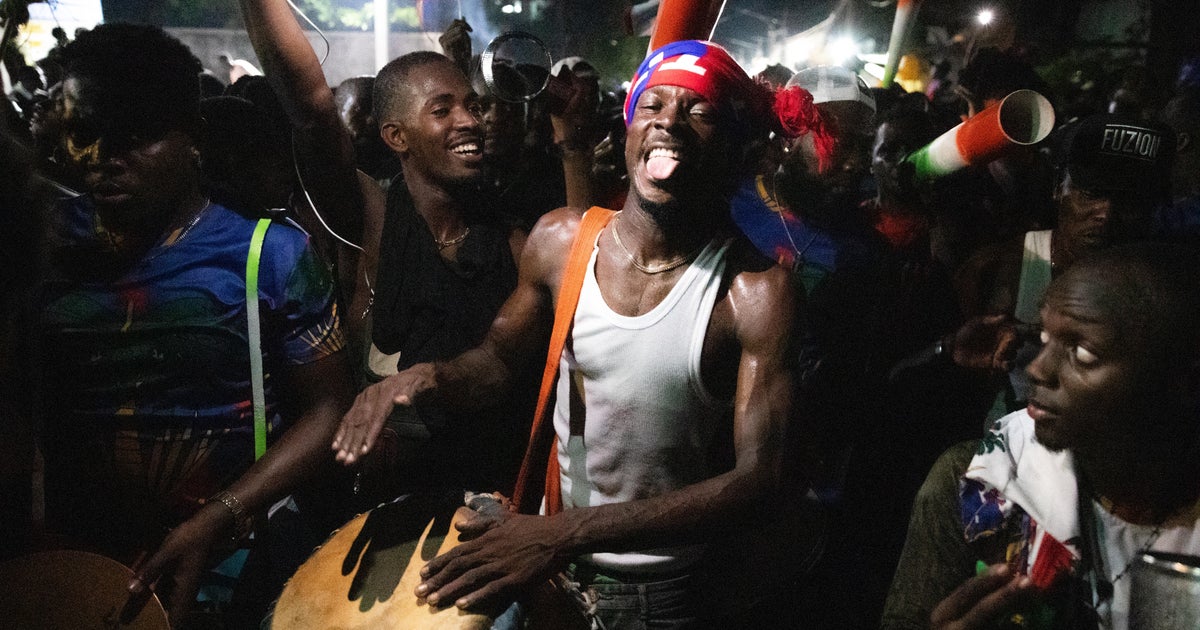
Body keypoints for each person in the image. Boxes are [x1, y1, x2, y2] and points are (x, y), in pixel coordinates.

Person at [332, 39, 799, 629]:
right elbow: (499, 362)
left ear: (732, 146)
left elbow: (759, 480)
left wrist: (561, 533)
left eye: (699, 113)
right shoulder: (562, 241)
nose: (670, 124)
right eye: (652, 106)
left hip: (663, 592)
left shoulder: (755, 291)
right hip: (547, 574)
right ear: (629, 129)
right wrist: (423, 379)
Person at [35, 23, 353, 626]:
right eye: (85, 135)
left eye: (135, 138)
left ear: (194, 138)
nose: (104, 159)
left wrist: (220, 514)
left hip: (232, 571)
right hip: (76, 568)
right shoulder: (40, 246)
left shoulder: (270, 254)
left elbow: (329, 407)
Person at [240, 0, 535, 502]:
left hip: (489, 507)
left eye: (473, 106)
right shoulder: (372, 218)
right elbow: (312, 109)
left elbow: (503, 369)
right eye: (442, 110)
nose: (469, 121)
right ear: (395, 136)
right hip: (377, 505)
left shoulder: (515, 241)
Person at [881, 241, 1200, 630]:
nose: (1038, 369)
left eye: (1082, 353)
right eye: (1046, 338)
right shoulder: (978, 482)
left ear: (1181, 382)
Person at [948, 113, 1174, 422]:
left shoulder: (1169, 290)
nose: (1105, 214)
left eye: (1131, 201)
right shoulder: (1000, 268)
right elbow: (965, 384)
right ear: (1058, 187)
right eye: (1091, 193)